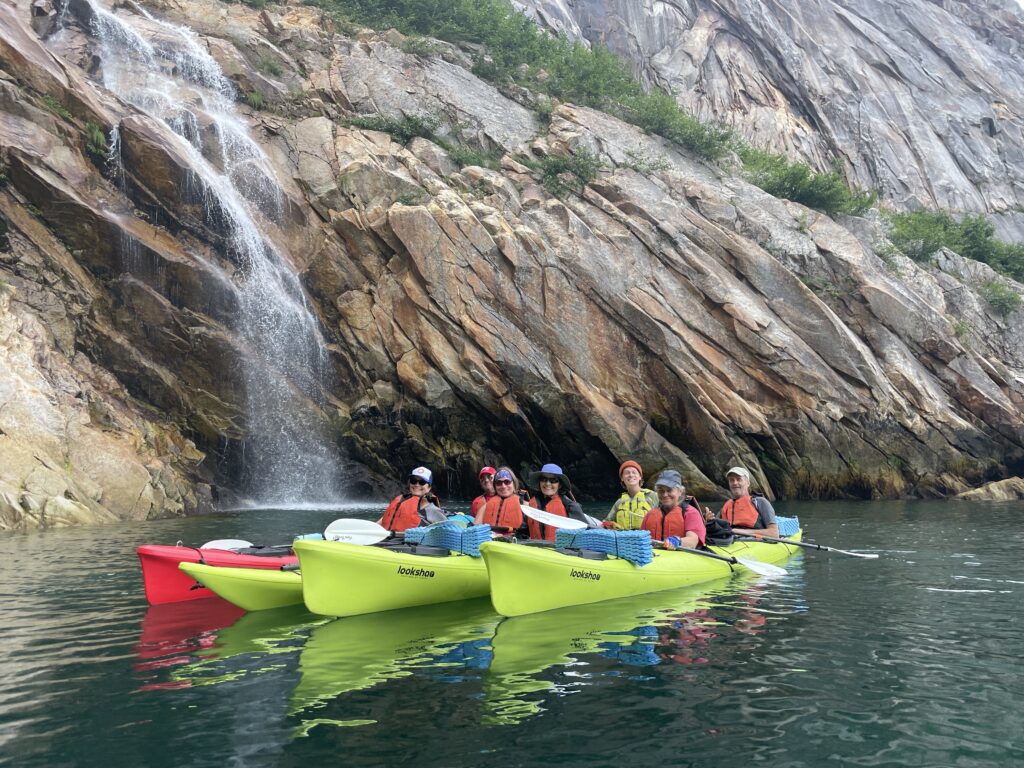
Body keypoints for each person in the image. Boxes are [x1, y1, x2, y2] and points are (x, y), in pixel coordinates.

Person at [640, 470, 706, 549]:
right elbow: (640, 539)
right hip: (654, 559)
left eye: (669, 490)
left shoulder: (691, 513)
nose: (665, 494)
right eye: (661, 490)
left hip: (681, 558)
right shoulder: (650, 514)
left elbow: (693, 541)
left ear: (680, 491)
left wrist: (678, 541)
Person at [526, 463, 586, 541]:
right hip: (535, 549)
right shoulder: (531, 504)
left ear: (559, 485)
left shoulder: (571, 506)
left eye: (553, 480)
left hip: (560, 551)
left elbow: (583, 534)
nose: (547, 483)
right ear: (539, 482)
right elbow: (525, 530)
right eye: (544, 479)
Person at [718, 466, 779, 538]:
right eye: (731, 480)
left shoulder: (760, 502)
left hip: (757, 543)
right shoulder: (726, 506)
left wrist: (742, 532)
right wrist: (709, 521)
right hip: (732, 543)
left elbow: (774, 533)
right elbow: (718, 530)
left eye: (739, 479)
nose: (735, 483)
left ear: (748, 483)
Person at [378, 466, 443, 532]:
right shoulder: (401, 501)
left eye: (422, 482)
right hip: (385, 540)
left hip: (409, 541)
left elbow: (447, 531)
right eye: (413, 481)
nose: (417, 485)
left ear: (429, 487)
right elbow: (382, 521)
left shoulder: (433, 510)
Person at [604, 460, 657, 530]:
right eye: (627, 473)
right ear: (622, 478)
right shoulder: (620, 502)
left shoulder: (652, 496)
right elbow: (607, 521)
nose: (631, 475)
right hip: (625, 539)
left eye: (634, 472)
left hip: (647, 539)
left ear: (640, 477)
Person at [474, 466, 527, 535]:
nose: (503, 486)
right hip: (491, 541)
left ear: (514, 484)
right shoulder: (486, 505)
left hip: (516, 541)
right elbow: (475, 529)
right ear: (495, 486)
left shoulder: (525, 504)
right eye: (499, 483)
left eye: (507, 482)